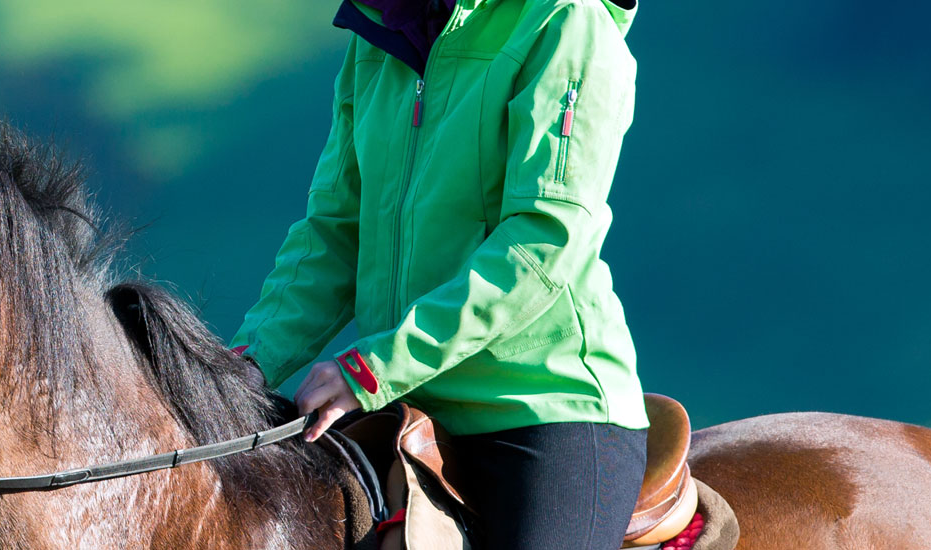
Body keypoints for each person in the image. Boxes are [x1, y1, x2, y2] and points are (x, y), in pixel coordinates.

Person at [227, 0, 647, 547]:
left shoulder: (566, 20)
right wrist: (237, 370)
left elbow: (542, 241)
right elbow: (334, 231)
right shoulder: (377, 30)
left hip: (543, 405)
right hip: (396, 402)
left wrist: (374, 367)